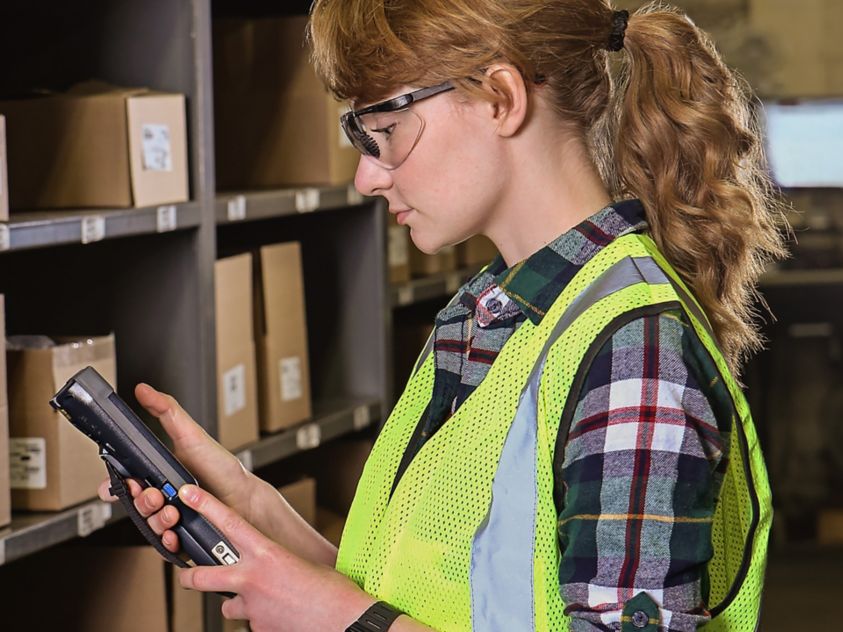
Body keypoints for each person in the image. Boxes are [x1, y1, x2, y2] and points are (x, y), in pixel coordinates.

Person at [99, 1, 788, 630]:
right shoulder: (489, 316)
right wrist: (250, 509)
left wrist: (338, 619)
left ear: (500, 98)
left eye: (387, 128)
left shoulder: (631, 350)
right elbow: (443, 597)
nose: (368, 174)